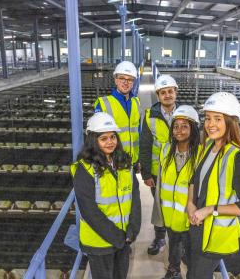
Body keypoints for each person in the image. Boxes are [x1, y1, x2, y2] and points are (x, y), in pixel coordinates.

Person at [187, 92, 240, 279]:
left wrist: (210, 210)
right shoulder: (210, 145)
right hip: (198, 228)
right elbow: (194, 178)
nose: (210, 124)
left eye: (217, 119)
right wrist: (190, 203)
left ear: (230, 122)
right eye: (208, 118)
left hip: (215, 238)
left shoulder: (235, 158)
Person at [72, 112, 141, 279]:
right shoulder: (85, 169)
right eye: (104, 138)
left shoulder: (124, 163)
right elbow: (89, 211)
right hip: (99, 242)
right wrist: (117, 237)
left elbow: (135, 198)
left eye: (113, 137)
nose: (110, 142)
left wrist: (133, 228)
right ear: (93, 141)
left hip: (123, 239)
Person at [152, 105, 202, 279]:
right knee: (173, 244)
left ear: (193, 129)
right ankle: (173, 270)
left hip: (191, 216)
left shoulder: (201, 154)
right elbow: (160, 184)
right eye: (176, 126)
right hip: (171, 214)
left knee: (190, 251)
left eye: (184, 126)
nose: (179, 130)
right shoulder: (166, 150)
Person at [140, 74, 178, 255]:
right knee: (159, 207)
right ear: (158, 95)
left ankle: (178, 241)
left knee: (180, 206)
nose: (167, 95)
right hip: (158, 172)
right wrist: (146, 174)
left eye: (170, 91)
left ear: (175, 92)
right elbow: (145, 146)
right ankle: (160, 237)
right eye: (163, 92)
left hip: (181, 172)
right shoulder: (149, 116)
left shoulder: (185, 114)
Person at [94, 61, 140, 166]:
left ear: (133, 82)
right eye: (122, 78)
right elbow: (95, 137)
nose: (126, 82)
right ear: (115, 80)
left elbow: (138, 131)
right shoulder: (103, 104)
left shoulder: (136, 102)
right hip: (111, 162)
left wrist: (138, 159)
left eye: (130, 79)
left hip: (132, 160)